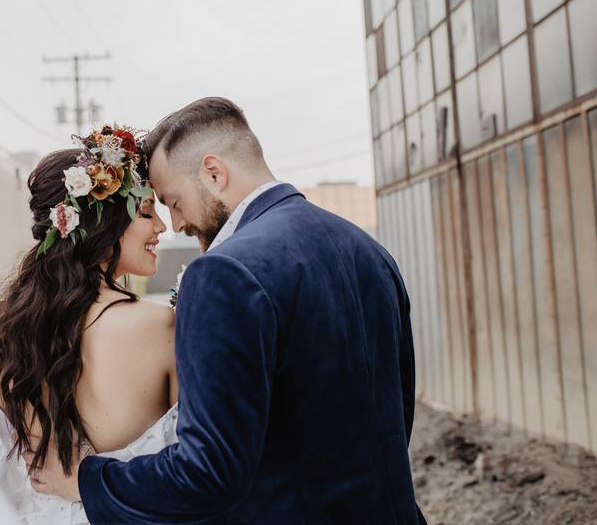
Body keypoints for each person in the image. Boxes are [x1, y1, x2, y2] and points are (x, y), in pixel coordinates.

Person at [30, 98, 426, 524]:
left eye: (174, 202)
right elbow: (397, 414)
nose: (176, 225)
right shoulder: (370, 252)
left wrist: (87, 481)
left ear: (213, 173)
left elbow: (208, 473)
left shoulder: (223, 273)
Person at [0, 126, 178, 524]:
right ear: (102, 222)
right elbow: (200, 473)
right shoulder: (162, 327)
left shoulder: (3, 339)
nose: (162, 227)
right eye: (146, 212)